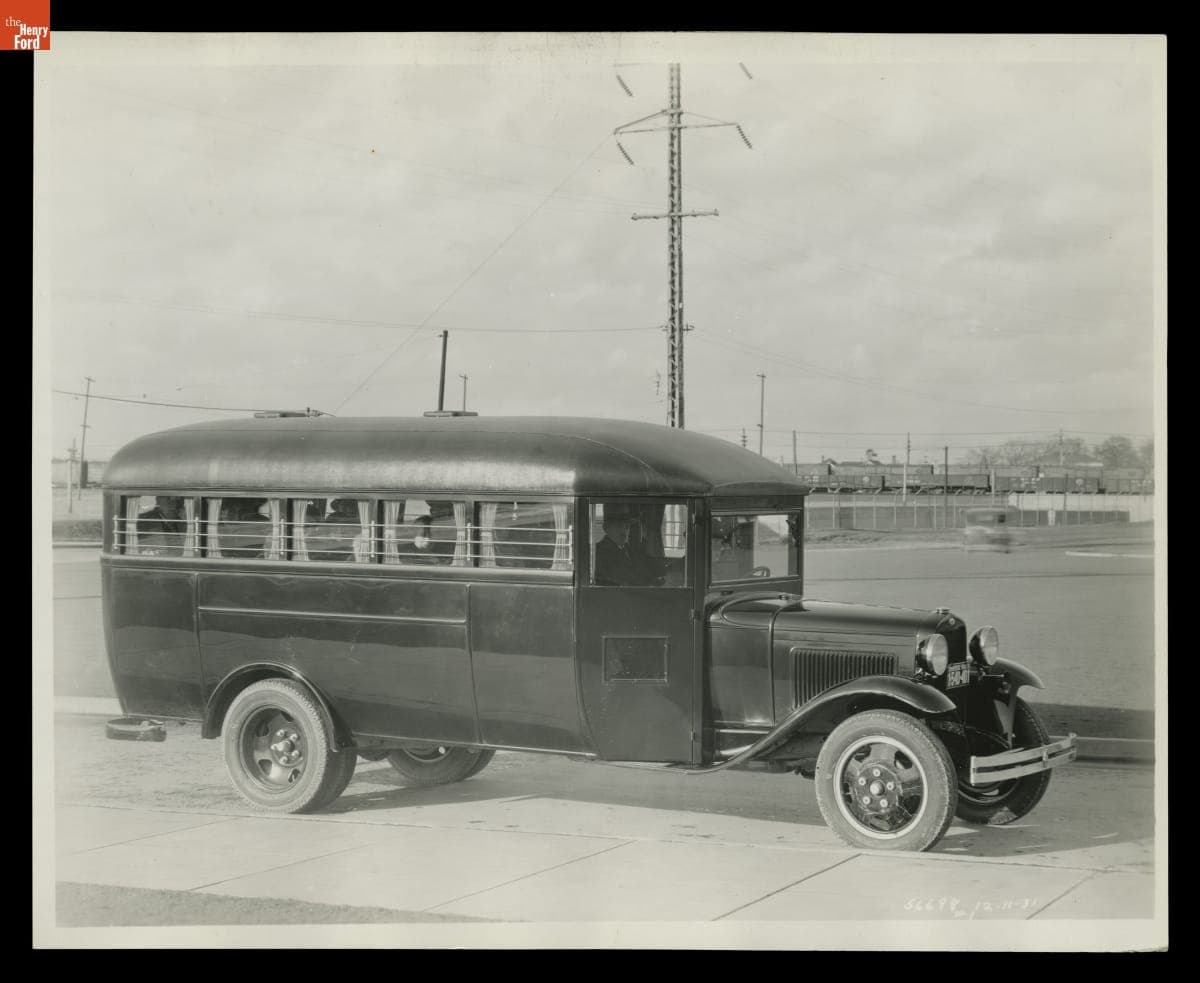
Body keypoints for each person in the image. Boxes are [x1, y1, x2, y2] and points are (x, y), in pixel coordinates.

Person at [593, 511, 665, 587]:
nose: (623, 531)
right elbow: (617, 579)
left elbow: (644, 570)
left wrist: (654, 580)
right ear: (606, 528)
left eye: (627, 527)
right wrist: (648, 584)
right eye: (619, 526)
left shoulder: (630, 550)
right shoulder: (598, 551)